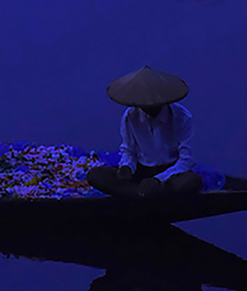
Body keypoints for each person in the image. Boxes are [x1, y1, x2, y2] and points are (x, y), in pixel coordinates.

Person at [86, 66, 204, 197]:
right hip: (141, 170)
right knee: (96, 175)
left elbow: (187, 159)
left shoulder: (181, 117)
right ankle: (143, 194)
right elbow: (128, 150)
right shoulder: (130, 116)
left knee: (192, 181)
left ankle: (147, 194)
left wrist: (159, 179)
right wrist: (126, 167)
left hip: (171, 172)